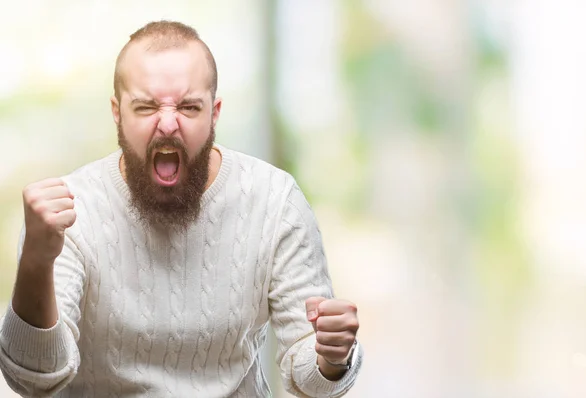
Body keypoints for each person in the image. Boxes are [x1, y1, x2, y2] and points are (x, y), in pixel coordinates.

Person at [0, 20, 362, 397]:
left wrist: (332, 358)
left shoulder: (273, 200)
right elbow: (34, 379)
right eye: (146, 106)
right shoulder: (70, 214)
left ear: (214, 113)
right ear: (117, 113)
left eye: (189, 107)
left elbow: (311, 380)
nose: (168, 124)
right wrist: (35, 262)